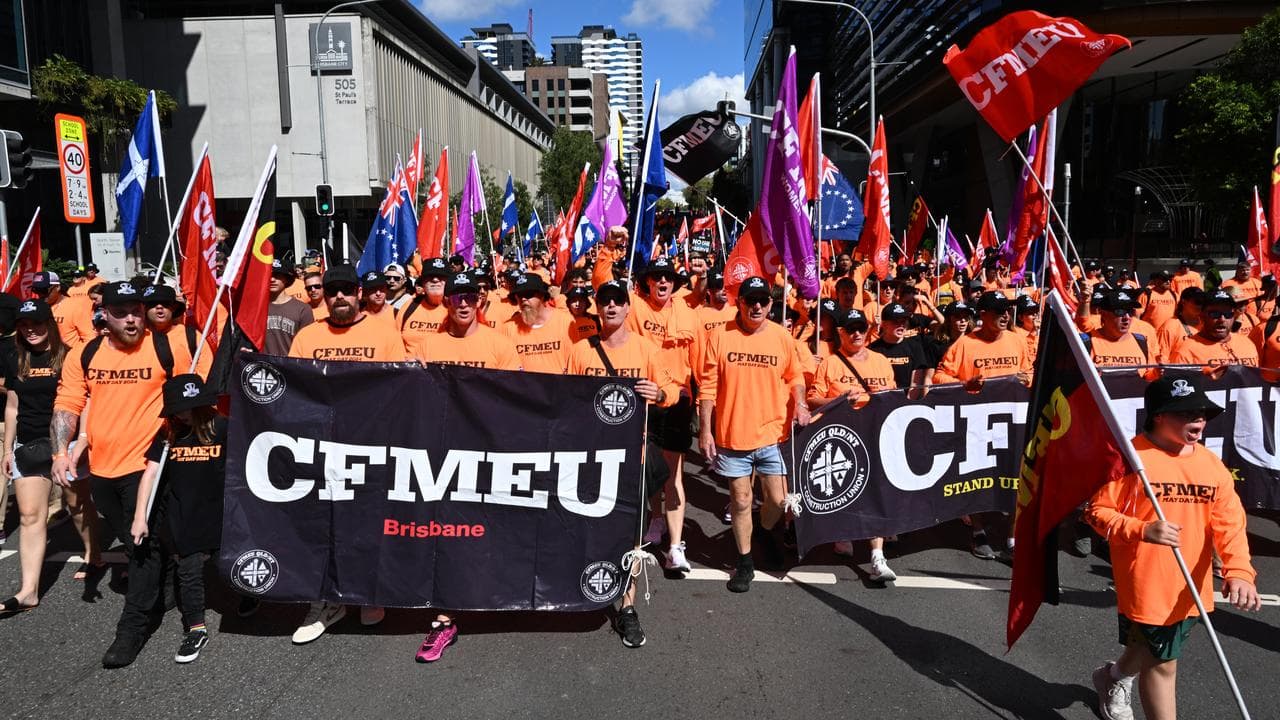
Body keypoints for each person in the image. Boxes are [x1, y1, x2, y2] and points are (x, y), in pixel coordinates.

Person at [51, 281, 205, 668]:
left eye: (137, 310)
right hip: (102, 469)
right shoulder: (84, 354)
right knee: (133, 535)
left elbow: (201, 393)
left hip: (150, 465)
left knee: (140, 548)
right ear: (104, 315)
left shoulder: (172, 344)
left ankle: (131, 629)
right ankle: (164, 584)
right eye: (122, 312)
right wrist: (60, 452)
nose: (133, 318)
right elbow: (69, 402)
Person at [1087, 375, 1260, 720]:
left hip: (1191, 585)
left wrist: (1238, 571)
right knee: (1163, 664)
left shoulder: (1211, 465)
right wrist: (1141, 529)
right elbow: (1096, 513)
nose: (1198, 420)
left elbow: (1230, 523)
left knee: (1149, 646)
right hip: (1147, 582)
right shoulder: (1130, 458)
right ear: (1159, 417)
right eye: (1185, 413)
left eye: (1202, 412)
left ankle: (1113, 677)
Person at [287, 265, 405, 644]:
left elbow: (400, 386)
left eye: (345, 290)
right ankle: (326, 601)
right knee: (323, 526)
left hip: (370, 445)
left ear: (359, 293)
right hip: (321, 447)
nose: (339, 297)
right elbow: (292, 389)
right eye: (332, 290)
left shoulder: (385, 332)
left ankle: (368, 591)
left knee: (368, 523)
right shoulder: (307, 336)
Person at [565, 280, 679, 647]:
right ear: (597, 310)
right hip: (590, 459)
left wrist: (658, 393)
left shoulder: (646, 349)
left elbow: (671, 391)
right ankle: (587, 588)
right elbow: (563, 397)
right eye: (605, 303)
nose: (611, 308)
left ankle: (627, 606)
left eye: (618, 302)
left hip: (634, 456)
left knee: (629, 535)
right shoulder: (581, 351)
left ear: (629, 309)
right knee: (588, 528)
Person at [698, 276, 808, 593]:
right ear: (740, 303)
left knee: (776, 500)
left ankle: (763, 527)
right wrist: (705, 430)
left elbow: (795, 376)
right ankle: (745, 562)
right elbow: (707, 387)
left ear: (771, 304)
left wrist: (800, 403)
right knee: (741, 500)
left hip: (773, 434)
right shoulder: (719, 336)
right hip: (733, 435)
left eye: (763, 300)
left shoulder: (781, 337)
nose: (757, 305)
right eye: (750, 300)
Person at [0, 300, 101, 614]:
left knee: (76, 506)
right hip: (28, 446)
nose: (31, 330)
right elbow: (13, 406)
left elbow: (84, 401)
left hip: (65, 444)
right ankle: (28, 590)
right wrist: (7, 449)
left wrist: (82, 441)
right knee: (30, 516)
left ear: (50, 323)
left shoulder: (70, 356)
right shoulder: (15, 357)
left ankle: (93, 554)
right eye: (25, 325)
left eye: (38, 323)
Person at [130, 374, 226, 664]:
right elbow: (150, 473)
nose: (183, 414)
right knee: (189, 572)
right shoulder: (167, 433)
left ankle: (249, 594)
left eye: (189, 407)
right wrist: (140, 516)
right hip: (185, 515)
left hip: (221, 513)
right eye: (177, 409)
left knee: (229, 566)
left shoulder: (223, 427)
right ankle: (196, 628)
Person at [806, 308, 898, 581]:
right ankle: (844, 531)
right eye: (851, 329)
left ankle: (877, 557)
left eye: (861, 328)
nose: (857, 333)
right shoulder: (830, 363)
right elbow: (813, 399)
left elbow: (893, 395)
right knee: (847, 489)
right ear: (841, 333)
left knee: (875, 494)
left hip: (876, 435)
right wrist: (840, 400)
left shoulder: (882, 361)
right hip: (843, 440)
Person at [626, 256, 702, 573]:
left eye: (667, 277)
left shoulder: (689, 316)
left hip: (677, 400)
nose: (662, 281)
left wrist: (698, 404)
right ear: (646, 282)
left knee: (673, 474)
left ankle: (674, 546)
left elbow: (699, 366)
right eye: (656, 276)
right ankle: (654, 520)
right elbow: (605, 284)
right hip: (644, 396)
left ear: (674, 283)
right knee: (650, 470)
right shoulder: (636, 306)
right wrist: (610, 252)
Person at [409, 271, 521, 371]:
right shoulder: (426, 347)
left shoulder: (502, 346)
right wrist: (412, 371)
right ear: (447, 303)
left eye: (470, 298)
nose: (463, 304)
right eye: (456, 298)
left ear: (478, 302)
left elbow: (510, 390)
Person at [1167, 289, 1259, 368]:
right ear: (1201, 316)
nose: (1222, 319)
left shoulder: (1247, 343)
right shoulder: (1185, 352)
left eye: (1228, 314)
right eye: (1214, 314)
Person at [502, 273, 572, 373]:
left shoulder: (565, 322)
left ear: (542, 296)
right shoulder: (507, 328)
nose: (523, 299)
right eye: (519, 295)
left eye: (528, 294)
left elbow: (575, 361)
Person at [870, 302, 935, 393]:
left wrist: (905, 405)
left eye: (904, 321)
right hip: (881, 401)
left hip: (907, 403)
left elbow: (916, 385)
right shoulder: (872, 349)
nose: (901, 325)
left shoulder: (915, 347)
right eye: (895, 322)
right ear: (884, 324)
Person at [398, 257, 451, 354]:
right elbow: (395, 341)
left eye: (441, 276)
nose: (435, 280)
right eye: (430, 276)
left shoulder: (456, 308)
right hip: (410, 367)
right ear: (423, 282)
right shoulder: (410, 306)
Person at [264, 259, 315, 356]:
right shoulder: (257, 308)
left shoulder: (303, 309)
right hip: (263, 367)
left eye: (277, 275)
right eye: (269, 275)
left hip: (291, 367)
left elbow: (308, 344)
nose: (272, 279)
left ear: (287, 278)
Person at [1155, 289, 1204, 364]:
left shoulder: (1207, 324)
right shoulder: (1170, 327)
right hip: (1179, 374)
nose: (1201, 306)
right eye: (1197, 302)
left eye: (1203, 302)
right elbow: (1162, 359)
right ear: (1184, 302)